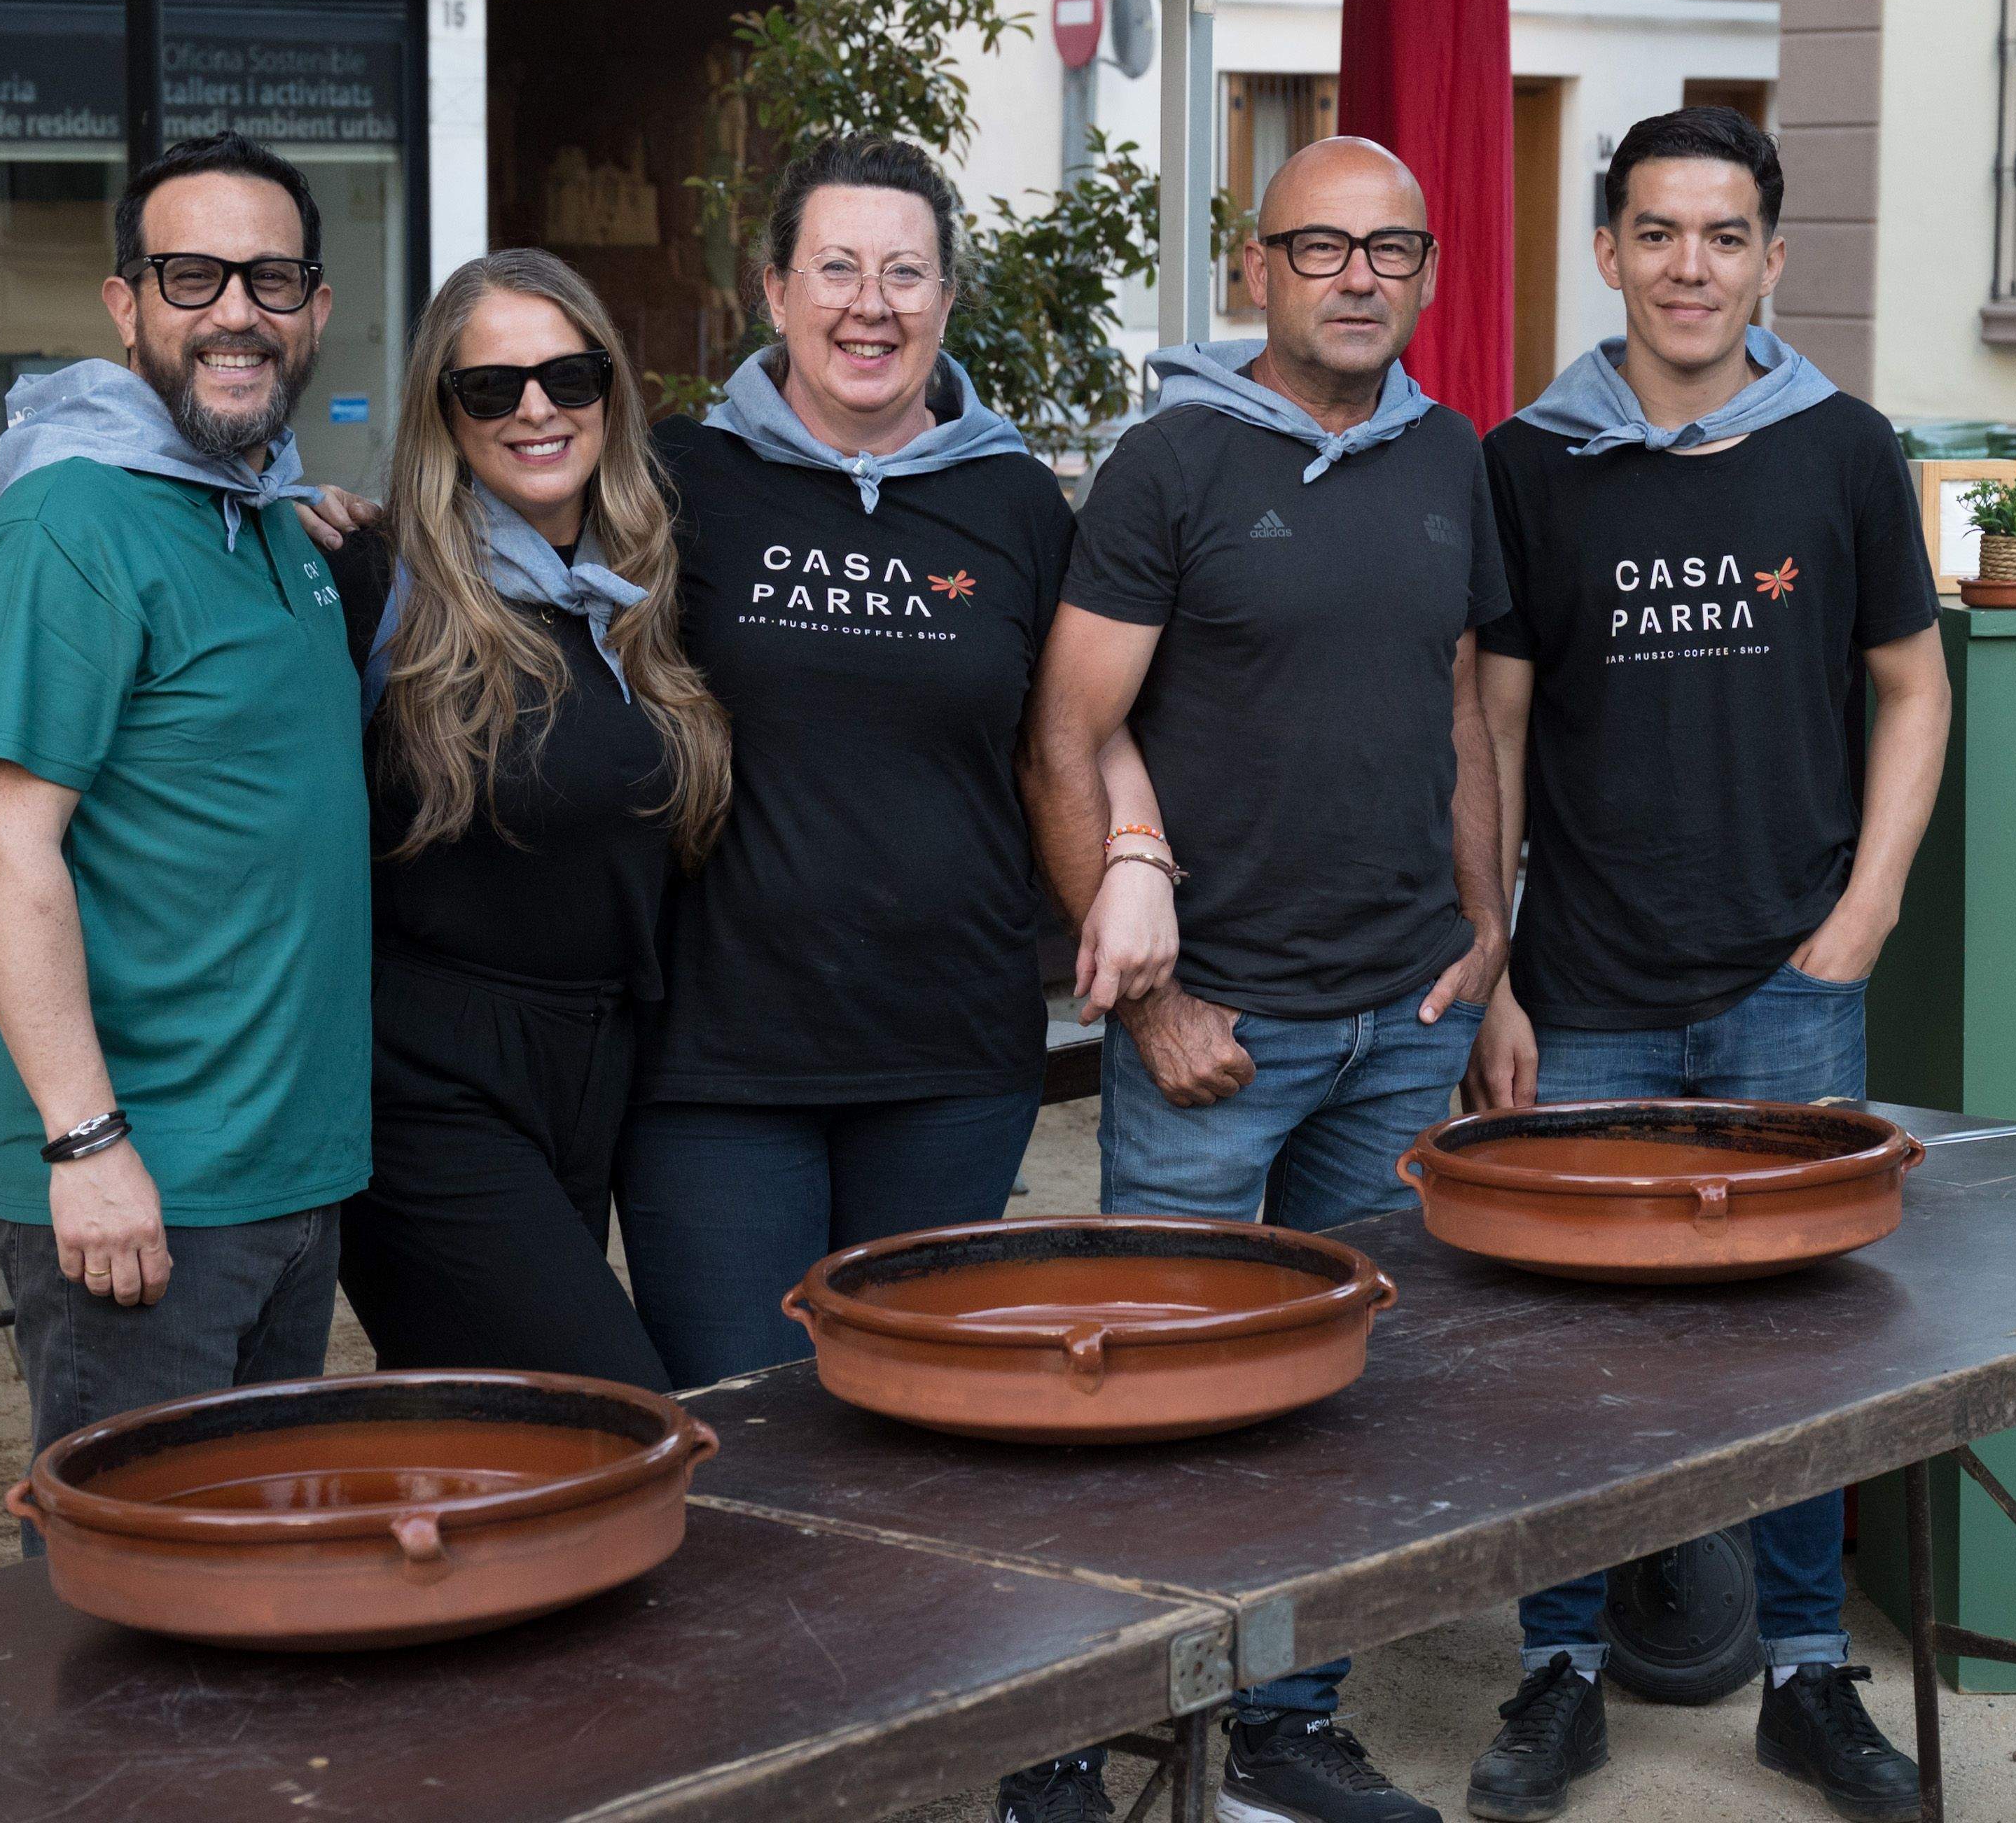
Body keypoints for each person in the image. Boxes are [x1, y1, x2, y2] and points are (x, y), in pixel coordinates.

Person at [1459, 106, 1947, 1823]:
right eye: (1654, 233)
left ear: (1768, 258)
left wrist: (1866, 903)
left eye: (1720, 235)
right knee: (1568, 1348)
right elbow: (1491, 727)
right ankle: (1559, 1666)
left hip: (1784, 978)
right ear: (1604, 252)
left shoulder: (1837, 449)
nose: (1687, 265)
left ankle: (1806, 1673)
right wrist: (1497, 959)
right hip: (1580, 984)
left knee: (1797, 1344)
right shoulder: (1525, 461)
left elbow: (1910, 685)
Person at [1013, 135, 1508, 1823]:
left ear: (1425, 273)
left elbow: (1452, 706)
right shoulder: (1168, 464)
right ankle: (1091, 1726)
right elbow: (1065, 738)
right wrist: (1144, 1003)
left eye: (1389, 246)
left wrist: (1482, 926)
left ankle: (1283, 1725)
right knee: (1155, 1401)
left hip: (1395, 1021)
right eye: (1319, 245)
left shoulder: (1450, 455)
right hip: (1215, 1027)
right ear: (1255, 270)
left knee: (1333, 1404)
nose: (1356, 273)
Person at [612, 133, 1162, 1393]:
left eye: (906, 274)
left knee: (914, 1422)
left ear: (946, 300)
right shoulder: (675, 482)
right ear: (773, 292)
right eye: (838, 269)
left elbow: (1076, 720)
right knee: (744, 1422)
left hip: (949, 1060)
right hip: (715, 1062)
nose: (871, 305)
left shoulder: (1016, 503)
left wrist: (1134, 855)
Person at [0, 132, 369, 1502]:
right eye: (193, 276)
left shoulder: (260, 517)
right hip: (145, 1182)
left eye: (270, 276)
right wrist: (84, 1144)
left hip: (282, 1173)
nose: (236, 310)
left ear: (315, 305)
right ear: (126, 304)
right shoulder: (70, 521)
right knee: (119, 1586)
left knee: (252, 1574)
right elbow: (6, 850)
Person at [329, 248, 729, 1389]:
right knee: (613, 1414)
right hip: (423, 1076)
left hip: (597, 1064)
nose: (537, 409)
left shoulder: (637, 584)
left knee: (512, 1449)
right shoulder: (374, 577)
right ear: (440, 415)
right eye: (491, 388)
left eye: (568, 374)